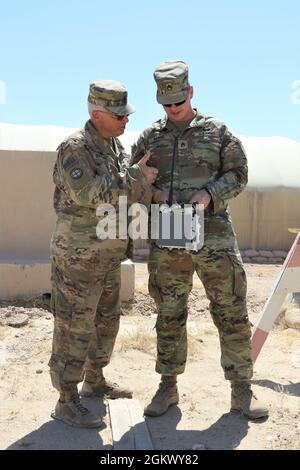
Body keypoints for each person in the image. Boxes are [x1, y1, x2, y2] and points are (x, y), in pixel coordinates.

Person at [130, 60, 268, 420]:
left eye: (178, 101)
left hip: (214, 236)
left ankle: (242, 390)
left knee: (231, 311)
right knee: (169, 312)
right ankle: (168, 386)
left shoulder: (217, 132)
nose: (173, 109)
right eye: (166, 104)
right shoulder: (148, 137)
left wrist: (210, 193)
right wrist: (152, 192)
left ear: (190, 92)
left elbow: (239, 173)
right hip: (169, 239)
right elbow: (131, 180)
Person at [49, 79, 158, 428]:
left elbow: (122, 194)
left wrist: (140, 184)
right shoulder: (74, 148)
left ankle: (95, 379)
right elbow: (88, 193)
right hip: (79, 258)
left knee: (106, 323)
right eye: (118, 115)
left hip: (109, 254)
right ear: (97, 114)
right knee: (73, 327)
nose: (125, 120)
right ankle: (66, 399)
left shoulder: (114, 146)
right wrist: (135, 177)